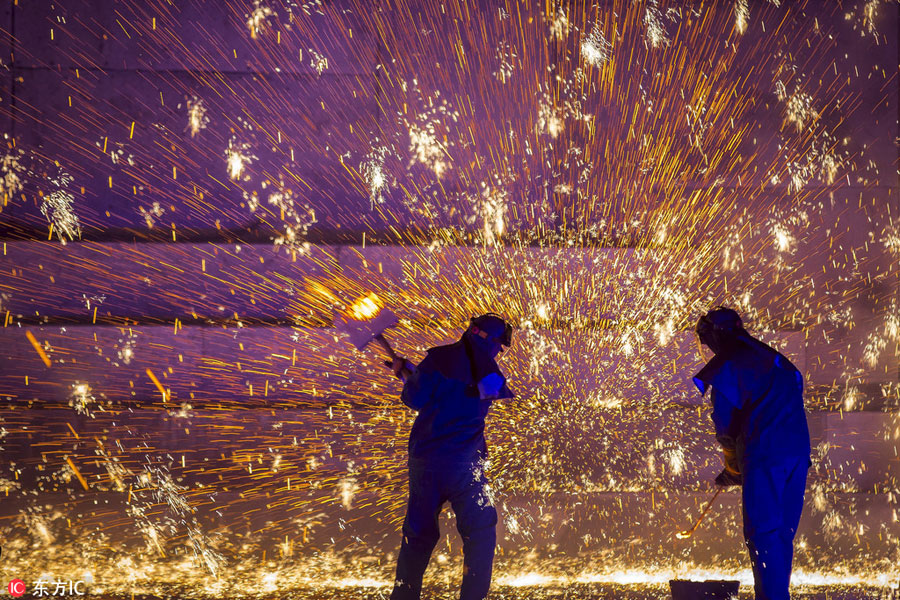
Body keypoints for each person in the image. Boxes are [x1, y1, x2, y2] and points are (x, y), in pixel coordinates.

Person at [386, 313, 514, 600]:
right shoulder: (490, 373)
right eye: (499, 346)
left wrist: (406, 374)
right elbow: (462, 392)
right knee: (480, 532)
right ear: (486, 339)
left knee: (417, 536)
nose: (499, 352)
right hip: (465, 466)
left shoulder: (437, 359)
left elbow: (418, 399)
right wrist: (409, 372)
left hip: (427, 462)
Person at [693, 307, 812, 600]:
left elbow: (724, 422)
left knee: (762, 533)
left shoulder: (730, 364)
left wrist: (732, 462)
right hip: (797, 454)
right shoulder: (774, 359)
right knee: (781, 533)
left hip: (765, 454)